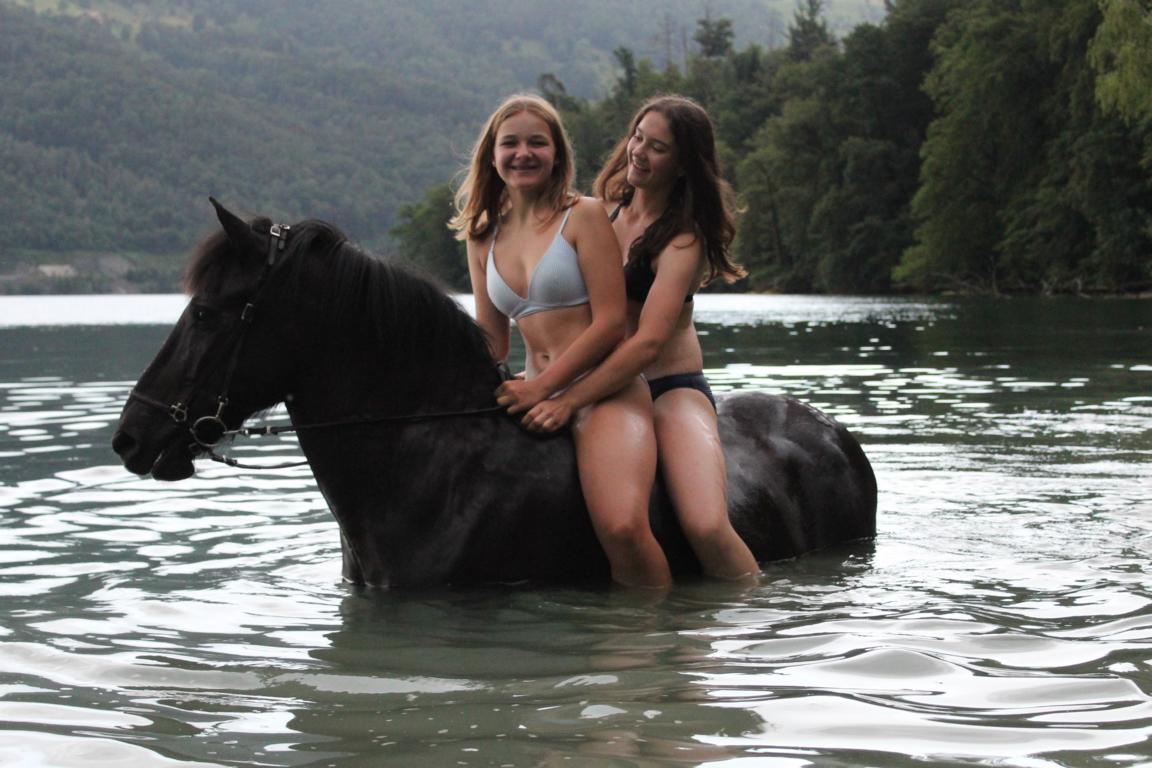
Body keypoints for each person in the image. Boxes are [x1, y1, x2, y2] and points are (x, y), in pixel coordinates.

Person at [511, 95, 759, 581]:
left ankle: (759, 613)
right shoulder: (598, 214)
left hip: (668, 387)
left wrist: (567, 400)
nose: (639, 152)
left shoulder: (683, 240)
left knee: (706, 525)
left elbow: (647, 343)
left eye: (658, 148)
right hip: (598, 382)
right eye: (637, 137)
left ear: (684, 164)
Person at [450, 94, 672, 589]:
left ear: (556, 154)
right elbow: (492, 342)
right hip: (534, 394)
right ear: (492, 155)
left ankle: (662, 633)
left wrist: (546, 388)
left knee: (623, 528)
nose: (523, 153)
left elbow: (611, 325)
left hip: (603, 392)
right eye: (510, 143)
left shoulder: (584, 215)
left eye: (537, 142)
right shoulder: (482, 234)